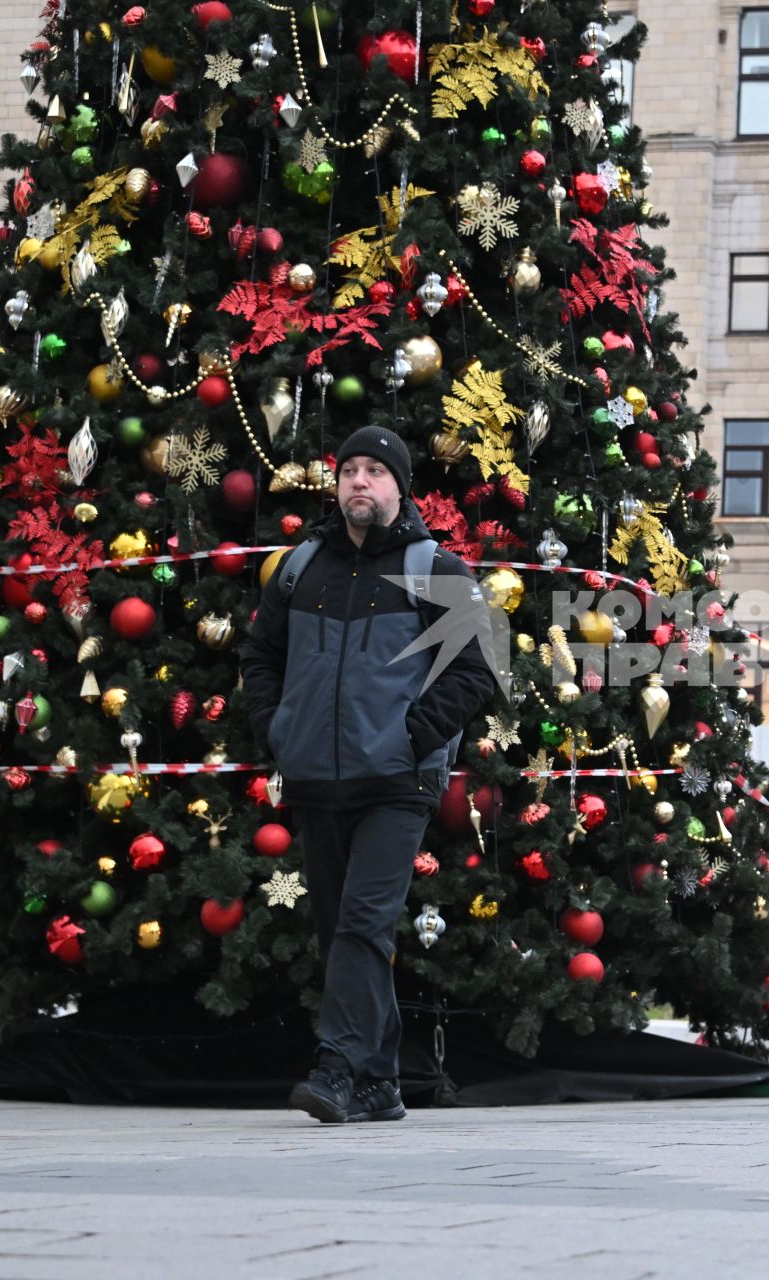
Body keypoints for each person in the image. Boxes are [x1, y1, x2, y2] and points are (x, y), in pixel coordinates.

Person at [242, 426, 499, 1124]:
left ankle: (337, 1067)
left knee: (362, 920)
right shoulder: (302, 568)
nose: (359, 481)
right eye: (348, 469)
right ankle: (382, 1082)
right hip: (317, 777)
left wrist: (411, 735)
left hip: (397, 779)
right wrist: (277, 730)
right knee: (340, 932)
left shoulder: (435, 569)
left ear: (399, 487)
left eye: (374, 472)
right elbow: (259, 658)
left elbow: (477, 671)